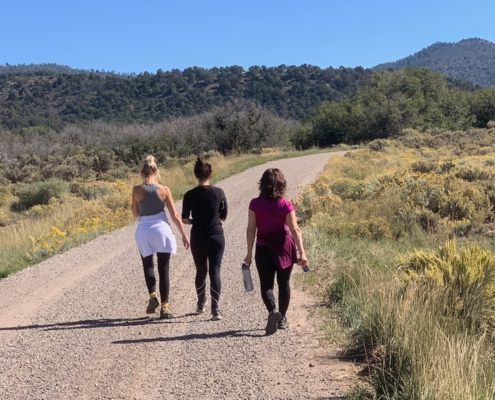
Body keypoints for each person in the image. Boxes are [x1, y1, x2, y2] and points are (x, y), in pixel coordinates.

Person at [244, 168, 308, 335]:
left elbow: (251, 229)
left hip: (263, 247)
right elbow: (294, 229)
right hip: (284, 247)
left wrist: (249, 253)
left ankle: (273, 311)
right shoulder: (285, 204)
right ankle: (283, 318)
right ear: (281, 184)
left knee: (266, 285)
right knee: (284, 283)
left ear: (262, 185)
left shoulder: (255, 204)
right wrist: (302, 253)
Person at [132, 155, 190, 319]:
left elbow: (135, 213)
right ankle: (165, 307)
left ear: (142, 172)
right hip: (162, 230)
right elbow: (175, 215)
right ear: (156, 171)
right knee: (163, 268)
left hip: (144, 231)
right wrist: (184, 235)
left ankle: (152, 295)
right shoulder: (164, 190)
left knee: (147, 264)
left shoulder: (136, 190)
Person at [182, 157, 228, 321]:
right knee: (215, 271)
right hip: (216, 235)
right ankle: (215, 309)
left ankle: (201, 303)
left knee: (201, 270)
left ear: (195, 175)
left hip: (198, 237)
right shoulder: (219, 192)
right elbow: (223, 216)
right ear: (210, 174)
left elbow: (185, 219)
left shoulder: (189, 195)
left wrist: (197, 221)